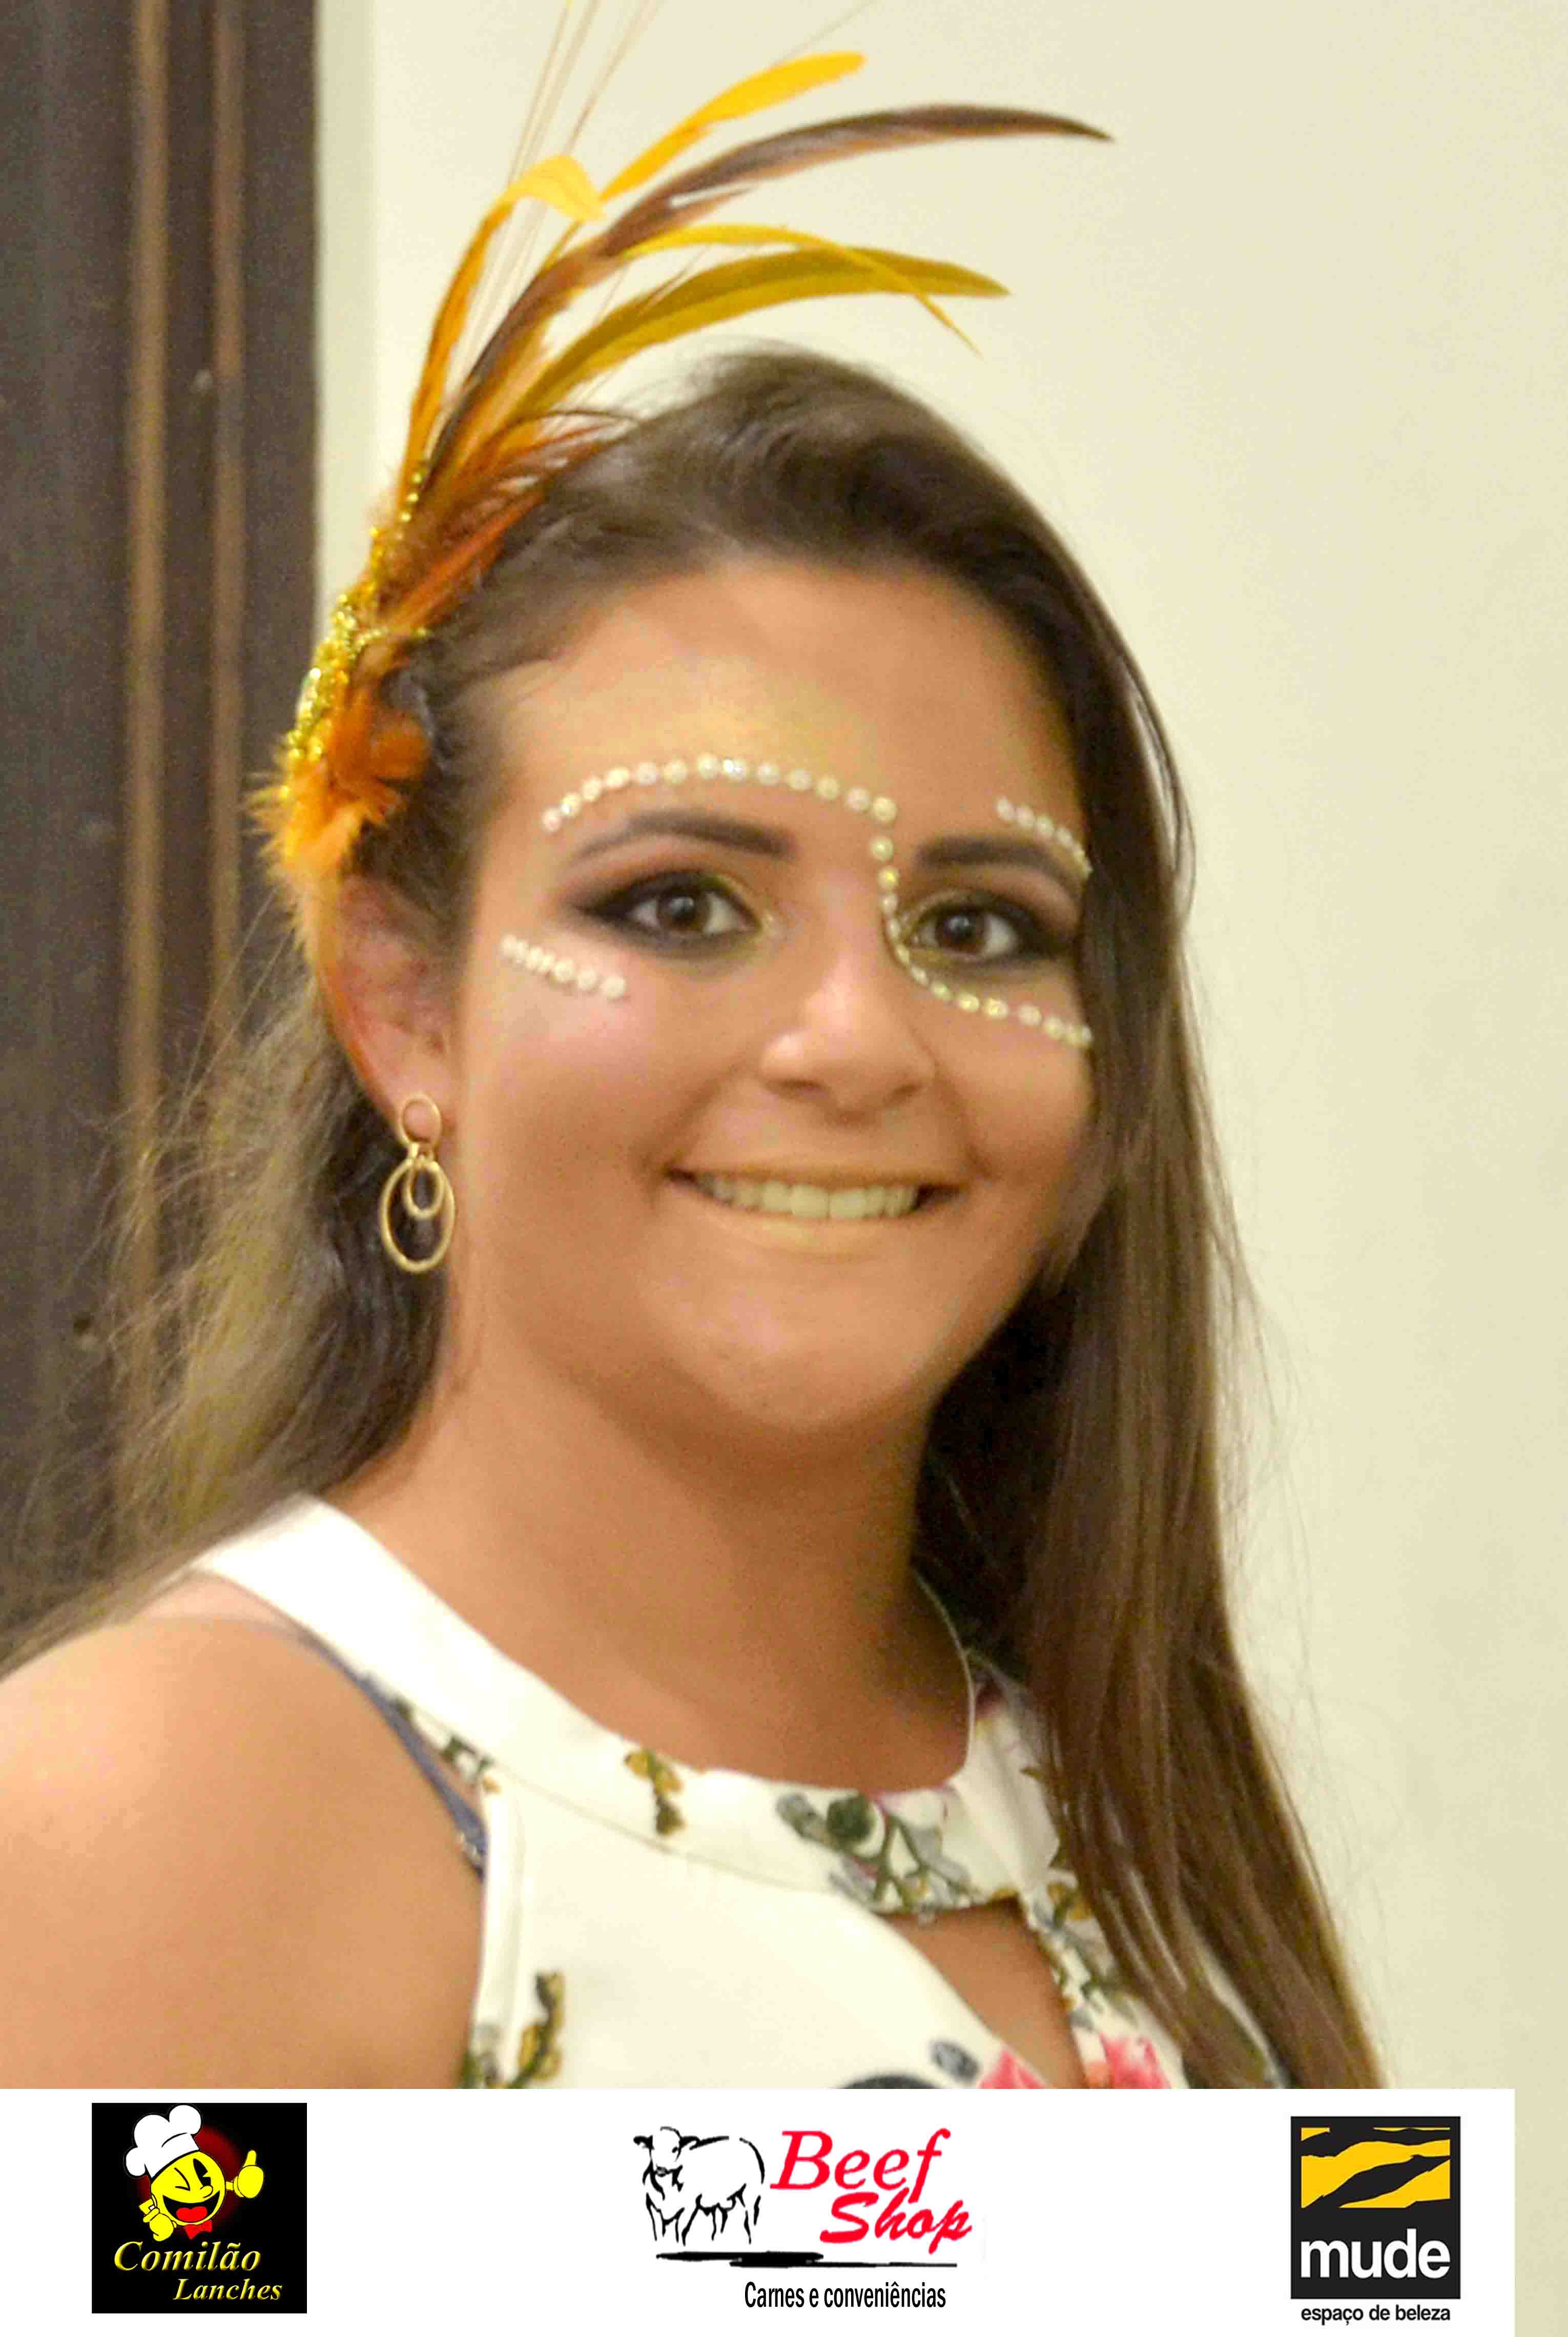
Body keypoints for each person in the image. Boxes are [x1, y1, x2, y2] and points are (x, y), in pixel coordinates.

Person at [0, 51, 1379, 2090]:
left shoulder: (1113, 1810)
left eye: (981, 927)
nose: (856, 1037)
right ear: (406, 1007)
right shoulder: (158, 1816)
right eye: (678, 904)